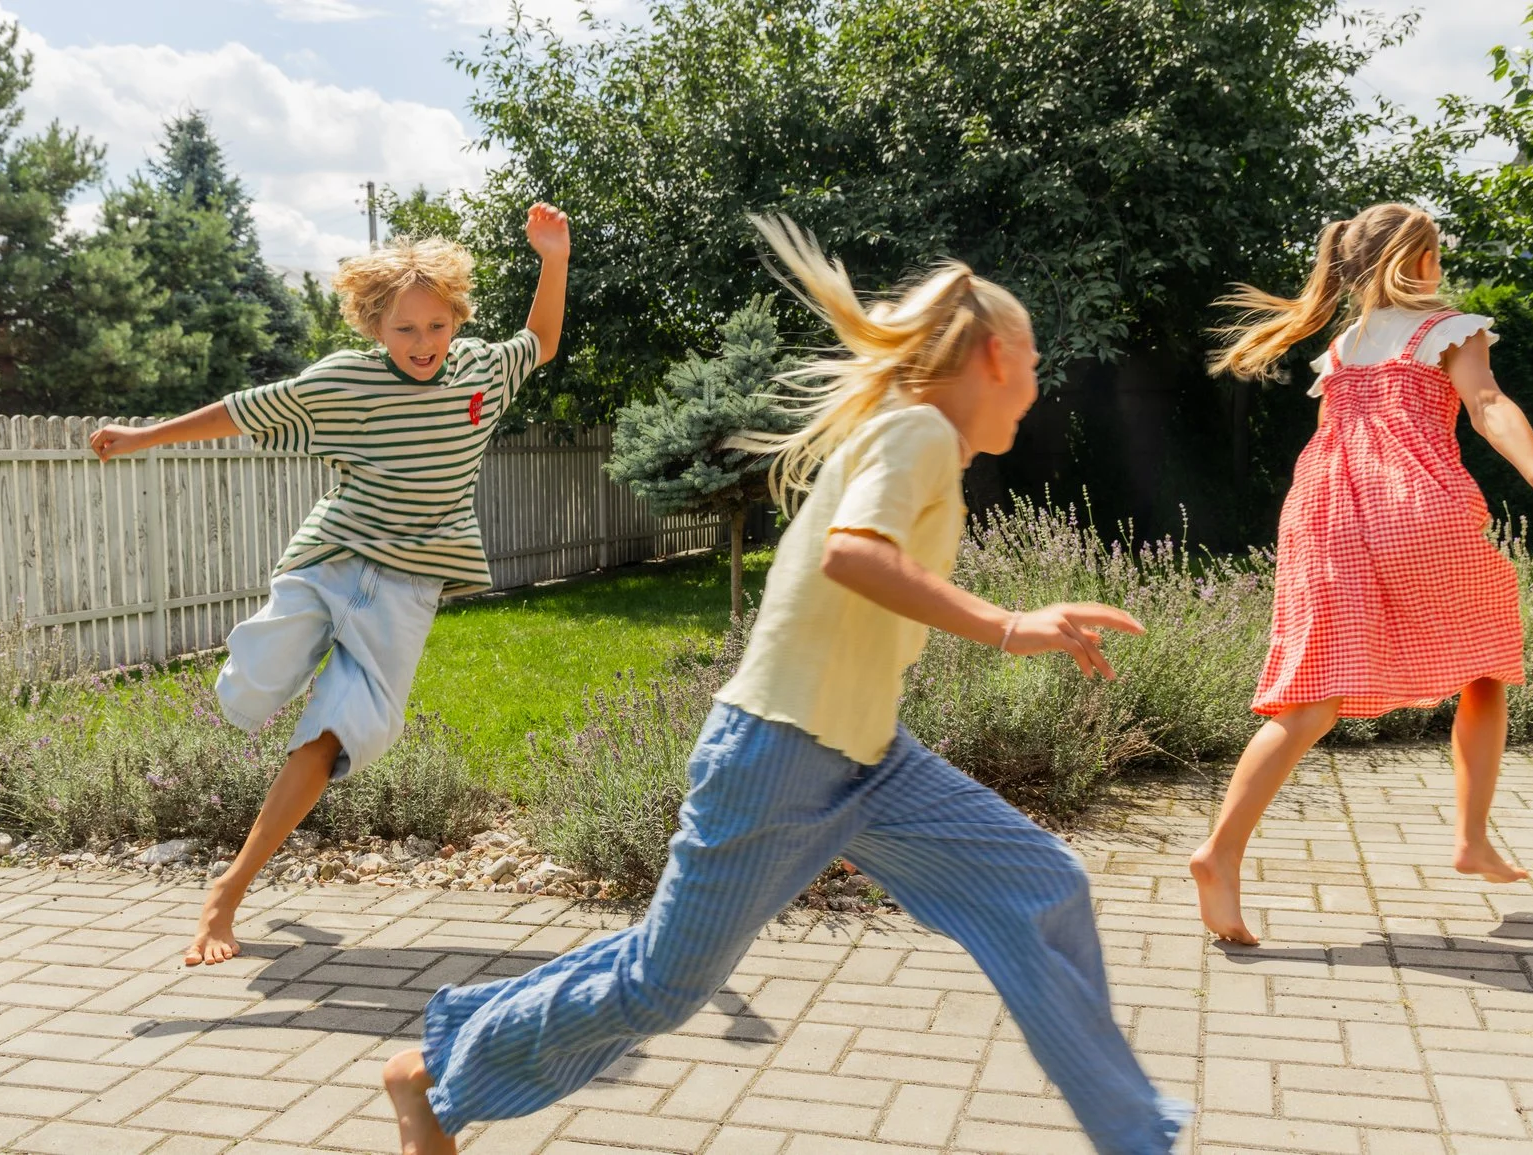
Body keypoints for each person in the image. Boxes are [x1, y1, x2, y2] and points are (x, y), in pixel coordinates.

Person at [382, 216, 1189, 1155]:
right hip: (777, 754)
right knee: (662, 985)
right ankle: (437, 1074)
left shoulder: (918, 440)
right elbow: (855, 556)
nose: (1042, 383)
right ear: (999, 356)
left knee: (1044, 884)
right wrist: (1010, 626)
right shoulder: (918, 430)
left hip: (869, 761)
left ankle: (1139, 1138)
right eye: (1037, 359)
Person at [89, 203, 571, 966]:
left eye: (437, 327)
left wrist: (554, 255)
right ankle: (258, 678)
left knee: (335, 735)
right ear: (376, 328)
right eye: (405, 330)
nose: (424, 345)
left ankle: (227, 892)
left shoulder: (481, 371)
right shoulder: (342, 383)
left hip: (410, 587)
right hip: (331, 560)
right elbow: (245, 413)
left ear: (457, 320)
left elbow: (540, 341)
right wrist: (145, 435)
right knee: (254, 687)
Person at [1190, 202, 1533, 945]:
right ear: (1417, 261)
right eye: (1437, 253)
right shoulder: (1449, 328)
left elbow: (1331, 444)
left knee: (1312, 698)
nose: (1440, 266)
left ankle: (1219, 853)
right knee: (1485, 658)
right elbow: (1487, 405)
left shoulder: (1344, 348)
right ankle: (1472, 837)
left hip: (1320, 515)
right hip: (1414, 508)